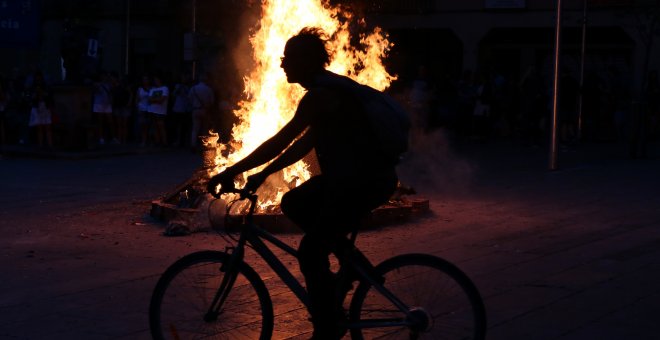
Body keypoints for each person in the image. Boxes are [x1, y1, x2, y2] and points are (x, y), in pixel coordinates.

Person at [206, 27, 400, 340]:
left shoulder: (321, 97)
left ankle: (327, 325)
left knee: (310, 250)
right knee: (294, 202)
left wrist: (232, 171)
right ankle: (351, 264)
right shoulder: (328, 93)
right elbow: (298, 146)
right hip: (354, 179)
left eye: (287, 59)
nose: (281, 64)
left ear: (306, 62)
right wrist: (262, 173)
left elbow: (280, 141)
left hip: (363, 182)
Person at [188, 72, 215, 150]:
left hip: (195, 110)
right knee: (204, 129)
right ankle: (204, 145)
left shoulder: (193, 88)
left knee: (195, 129)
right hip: (205, 111)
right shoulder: (209, 89)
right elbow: (212, 102)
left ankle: (193, 145)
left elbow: (189, 99)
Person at [147, 74, 169, 146]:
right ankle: (157, 141)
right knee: (155, 127)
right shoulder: (152, 89)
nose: (155, 81)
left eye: (156, 79)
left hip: (160, 111)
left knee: (161, 126)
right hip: (152, 110)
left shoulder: (165, 88)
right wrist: (157, 100)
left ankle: (164, 142)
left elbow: (162, 100)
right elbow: (149, 99)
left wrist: (154, 100)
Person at [136, 74, 152, 147]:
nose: (145, 81)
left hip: (149, 109)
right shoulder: (140, 89)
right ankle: (143, 141)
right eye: (144, 79)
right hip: (141, 108)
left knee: (148, 126)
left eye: (146, 79)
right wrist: (137, 107)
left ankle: (148, 140)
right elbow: (137, 99)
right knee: (142, 126)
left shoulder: (152, 89)